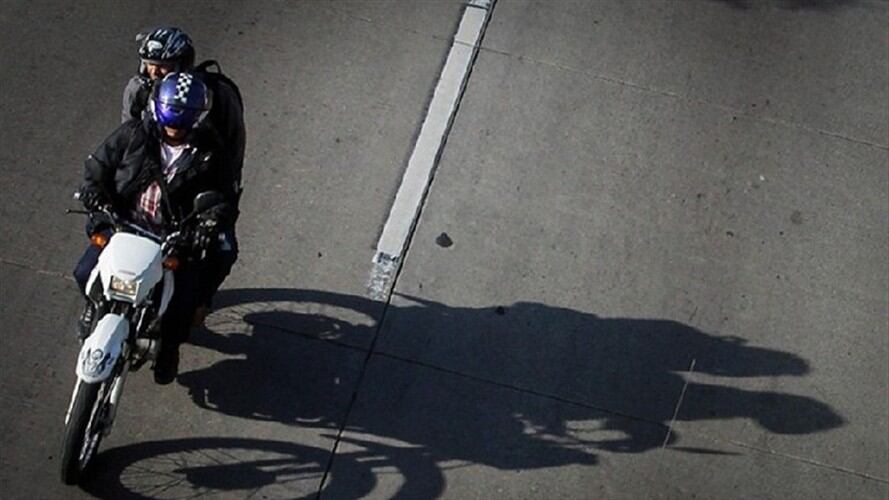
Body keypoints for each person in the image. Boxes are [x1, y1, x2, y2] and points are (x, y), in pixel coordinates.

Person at [74, 72, 238, 384]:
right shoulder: (132, 134)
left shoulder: (212, 153)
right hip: (122, 223)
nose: (174, 131)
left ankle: (169, 349)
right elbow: (98, 166)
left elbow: (224, 197)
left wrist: (207, 223)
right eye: (169, 124)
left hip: (174, 238)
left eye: (182, 125)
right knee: (84, 272)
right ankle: (93, 307)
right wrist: (93, 193)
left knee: (182, 303)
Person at [122, 26, 245, 324]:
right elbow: (125, 141)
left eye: (162, 66)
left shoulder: (217, 96)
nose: (153, 72)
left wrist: (222, 199)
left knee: (223, 250)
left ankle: (200, 303)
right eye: (149, 64)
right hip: (149, 179)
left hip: (200, 178)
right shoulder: (137, 89)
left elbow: (233, 148)